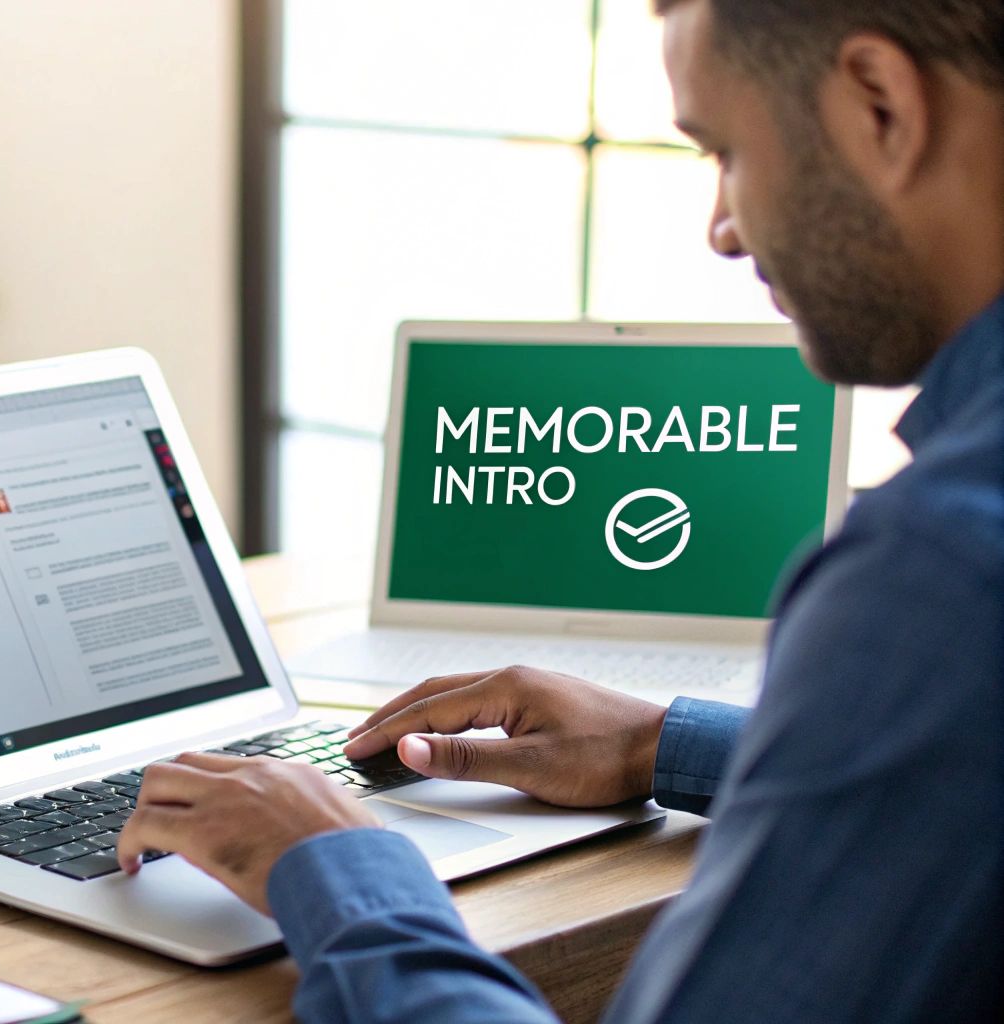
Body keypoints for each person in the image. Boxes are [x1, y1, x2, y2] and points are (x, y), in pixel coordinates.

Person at [114, 0, 1004, 1019]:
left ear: (879, 105)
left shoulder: (935, 573)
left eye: (724, 150)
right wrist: (661, 741)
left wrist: (334, 866)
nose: (719, 227)